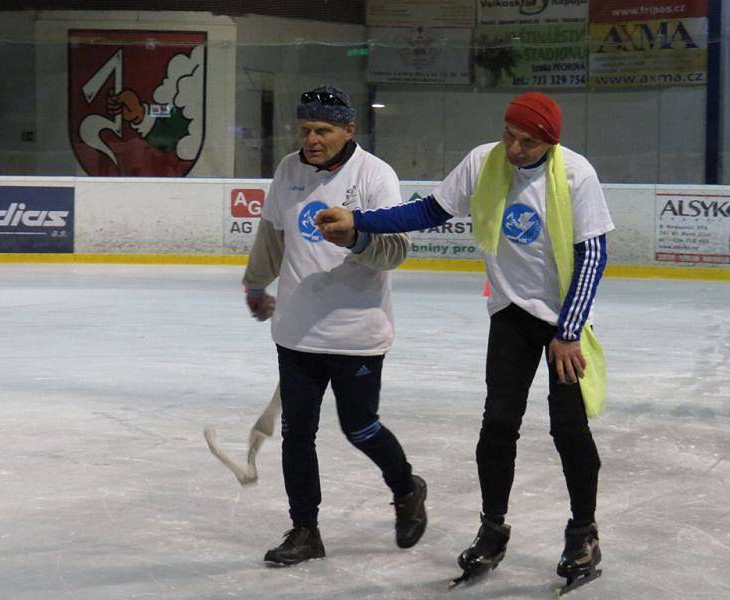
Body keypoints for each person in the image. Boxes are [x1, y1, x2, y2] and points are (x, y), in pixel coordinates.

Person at [316, 92, 613, 587]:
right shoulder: (483, 161)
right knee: (497, 424)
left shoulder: (576, 175)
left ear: (550, 142)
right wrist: (360, 221)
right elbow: (427, 211)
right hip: (511, 312)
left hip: (563, 318)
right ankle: (492, 529)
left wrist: (567, 332)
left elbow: (593, 256)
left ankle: (583, 533)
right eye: (510, 135)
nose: (514, 149)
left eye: (527, 142)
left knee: (569, 429)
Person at [242, 85, 427, 567]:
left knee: (361, 428)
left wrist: (356, 236)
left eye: (323, 130)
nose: (312, 139)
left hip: (356, 334)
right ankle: (305, 530)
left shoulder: (375, 176)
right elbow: (272, 235)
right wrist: (257, 283)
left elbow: (397, 251)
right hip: (297, 332)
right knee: (297, 434)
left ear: (349, 129)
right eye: (305, 130)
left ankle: (406, 489)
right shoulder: (288, 169)